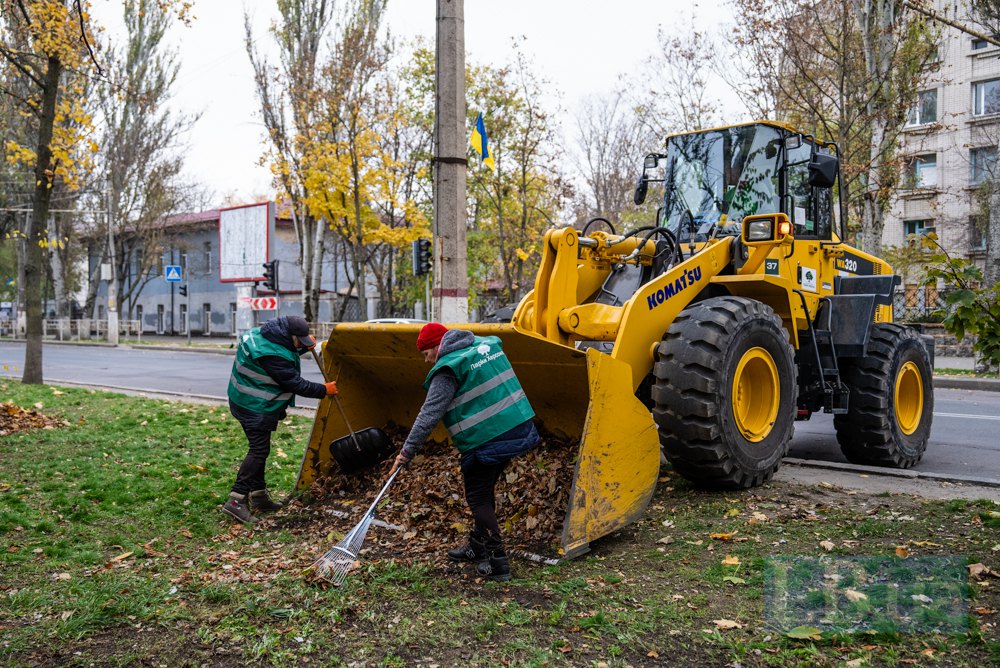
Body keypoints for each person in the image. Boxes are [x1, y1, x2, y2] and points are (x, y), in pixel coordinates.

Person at [389, 322, 540, 581]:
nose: (427, 361)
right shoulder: (484, 345)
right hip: (517, 428)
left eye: (426, 354)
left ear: (437, 347)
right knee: (485, 489)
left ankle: (497, 561)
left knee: (478, 496)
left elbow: (428, 415)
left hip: (488, 436)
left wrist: (406, 452)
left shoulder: (448, 369)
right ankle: (478, 545)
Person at [222, 315, 338, 524]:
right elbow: (294, 383)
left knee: (259, 449)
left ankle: (258, 496)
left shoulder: (260, 334)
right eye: (298, 340)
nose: (299, 344)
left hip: (241, 399)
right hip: (255, 406)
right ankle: (236, 500)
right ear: (289, 335)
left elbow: (283, 352)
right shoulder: (272, 355)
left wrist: (302, 347)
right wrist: (324, 389)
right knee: (259, 450)